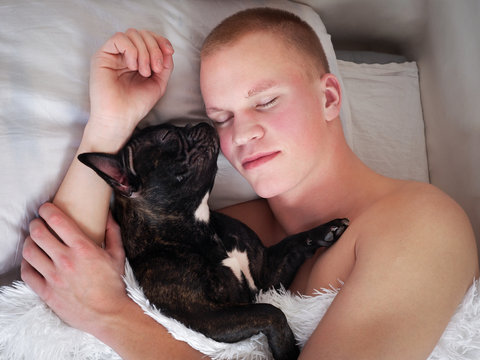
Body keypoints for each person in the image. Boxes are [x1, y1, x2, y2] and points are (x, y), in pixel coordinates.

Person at [21, 8, 479, 360]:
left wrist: (112, 318)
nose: (241, 135)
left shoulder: (416, 222)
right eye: (221, 118)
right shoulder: (228, 229)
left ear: (329, 97)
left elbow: (92, 304)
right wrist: (109, 123)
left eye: (266, 101)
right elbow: (66, 270)